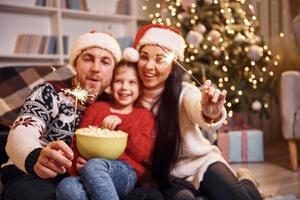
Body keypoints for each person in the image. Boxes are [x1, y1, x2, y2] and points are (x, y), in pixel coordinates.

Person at [126, 24, 262, 200]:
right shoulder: (130, 97)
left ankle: (246, 180)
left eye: (159, 59)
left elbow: (197, 107)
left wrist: (209, 112)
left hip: (202, 163)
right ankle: (242, 184)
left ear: (173, 65)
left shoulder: (184, 92)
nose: (149, 66)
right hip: (170, 178)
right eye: (144, 58)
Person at [0, 31, 123, 200]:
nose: (96, 68)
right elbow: (22, 131)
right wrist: (35, 157)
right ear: (75, 63)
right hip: (31, 174)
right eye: (88, 59)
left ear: (114, 71)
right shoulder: (49, 91)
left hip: (83, 179)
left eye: (105, 62)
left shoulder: (114, 103)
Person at [56, 58, 155, 200]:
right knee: (67, 187)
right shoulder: (97, 109)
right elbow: (79, 142)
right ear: (110, 85)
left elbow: (141, 154)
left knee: (94, 165)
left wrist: (121, 128)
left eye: (132, 82)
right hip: (87, 171)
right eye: (119, 81)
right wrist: (76, 163)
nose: (124, 87)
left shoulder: (144, 116)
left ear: (140, 87)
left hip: (125, 172)